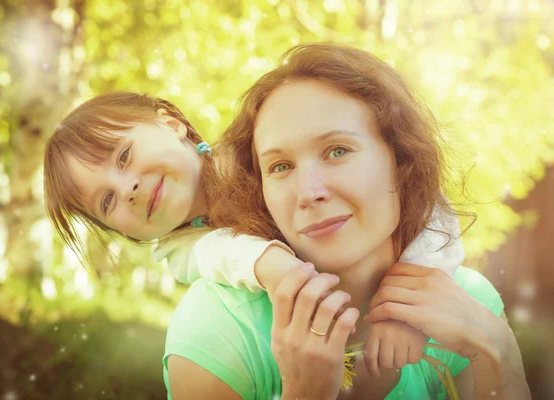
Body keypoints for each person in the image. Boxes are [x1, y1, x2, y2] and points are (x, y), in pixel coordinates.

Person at [164, 43, 531, 399]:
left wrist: (499, 353)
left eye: (337, 151)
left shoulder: (468, 305)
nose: (308, 193)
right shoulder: (218, 328)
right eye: (280, 166)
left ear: (402, 161)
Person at [43, 91, 464, 376]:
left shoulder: (262, 152)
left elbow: (429, 205)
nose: (127, 189)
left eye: (125, 156)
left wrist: (405, 309)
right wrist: (270, 265)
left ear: (171, 125)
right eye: (106, 202)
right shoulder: (180, 250)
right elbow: (222, 252)